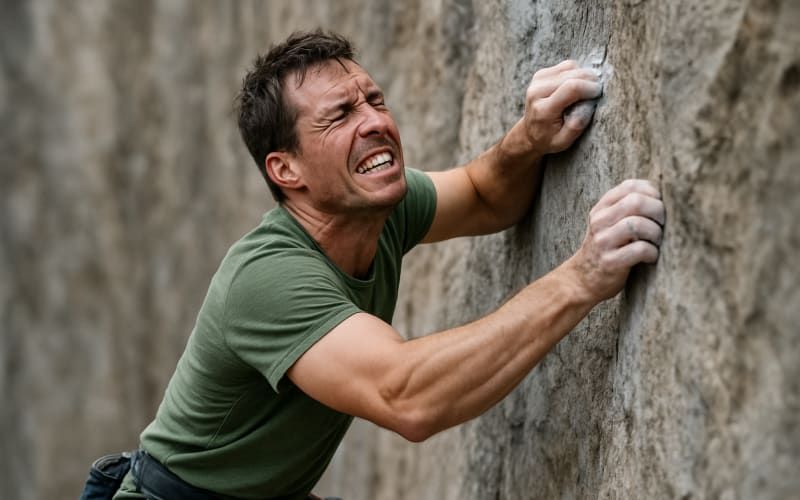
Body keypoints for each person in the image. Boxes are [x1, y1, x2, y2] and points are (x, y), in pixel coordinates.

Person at [99, 29, 664, 500]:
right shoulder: (267, 277)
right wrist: (582, 278)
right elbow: (407, 397)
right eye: (340, 115)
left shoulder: (378, 208)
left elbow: (488, 195)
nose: (373, 121)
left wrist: (530, 137)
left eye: (374, 100)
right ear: (286, 170)